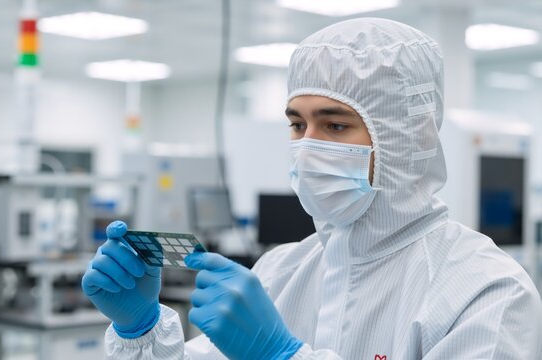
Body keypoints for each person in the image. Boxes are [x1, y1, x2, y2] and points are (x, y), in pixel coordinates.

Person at [81, 17, 542, 359]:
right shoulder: (280, 271)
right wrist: (139, 329)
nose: (308, 148)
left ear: (412, 136)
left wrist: (284, 354)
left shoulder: (485, 290)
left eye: (336, 125)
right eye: (298, 125)